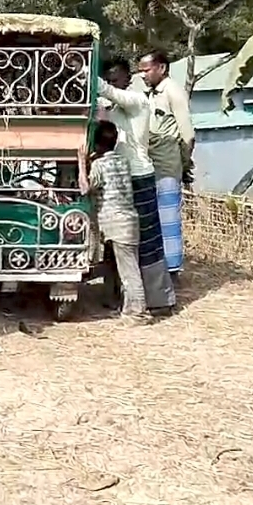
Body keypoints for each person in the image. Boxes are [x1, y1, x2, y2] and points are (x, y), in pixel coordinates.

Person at [89, 58, 176, 313]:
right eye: (109, 79)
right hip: (120, 177)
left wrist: (78, 65)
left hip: (139, 177)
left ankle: (158, 300)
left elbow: (106, 92)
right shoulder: (113, 108)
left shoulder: (138, 101)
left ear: (128, 79)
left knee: (146, 242)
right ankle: (119, 297)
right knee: (117, 241)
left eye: (116, 79)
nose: (113, 84)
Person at [78, 121, 148, 323]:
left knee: (129, 271)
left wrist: (82, 163)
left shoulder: (99, 165)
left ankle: (138, 313)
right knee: (115, 265)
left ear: (97, 144)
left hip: (115, 223)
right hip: (129, 220)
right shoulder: (123, 161)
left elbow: (85, 188)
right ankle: (116, 302)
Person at [139, 50, 194, 281]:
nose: (142, 75)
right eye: (140, 71)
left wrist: (183, 164)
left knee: (169, 221)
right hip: (151, 166)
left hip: (168, 167)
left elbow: (188, 136)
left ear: (161, 68)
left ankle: (172, 274)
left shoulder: (173, 92)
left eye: (146, 70)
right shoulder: (149, 93)